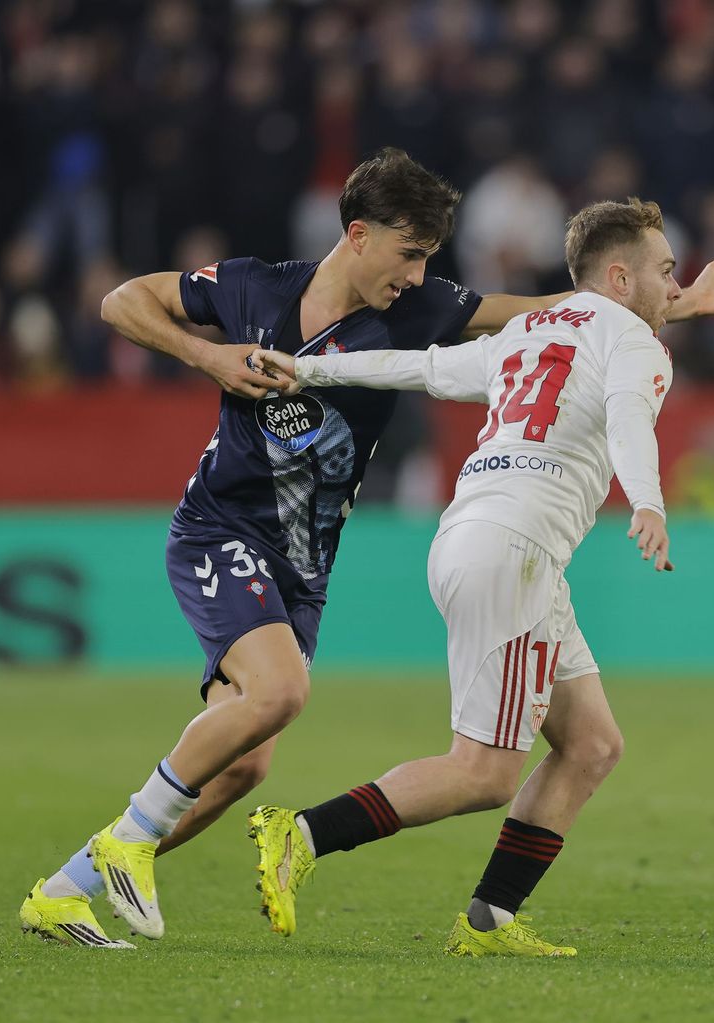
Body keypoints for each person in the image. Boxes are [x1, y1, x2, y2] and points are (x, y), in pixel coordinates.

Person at [17, 150, 714, 949]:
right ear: (359, 235)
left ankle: (65, 889)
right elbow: (121, 301)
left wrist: (677, 302)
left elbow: (565, 311)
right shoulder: (252, 287)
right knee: (292, 698)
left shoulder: (425, 309)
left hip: (305, 566)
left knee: (245, 763)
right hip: (223, 529)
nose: (419, 276)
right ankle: (133, 842)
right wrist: (208, 356)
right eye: (410, 253)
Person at [242, 197, 684, 957]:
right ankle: (302, 833)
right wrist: (647, 500)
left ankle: (489, 922)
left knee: (591, 744)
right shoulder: (634, 342)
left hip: (475, 537)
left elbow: (418, 366)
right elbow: (627, 418)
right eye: (667, 271)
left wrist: (307, 366)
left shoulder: (528, 332)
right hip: (514, 551)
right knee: (484, 773)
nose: (675, 287)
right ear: (620, 278)